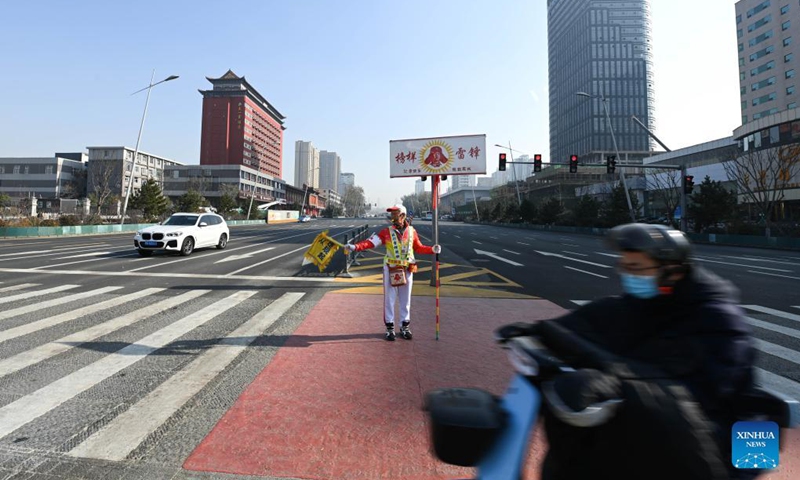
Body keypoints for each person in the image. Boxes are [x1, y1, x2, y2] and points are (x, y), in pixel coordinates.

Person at [496, 223, 757, 480]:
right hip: (651, 440)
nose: (627, 275)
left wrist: (607, 374)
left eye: (636, 268)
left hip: (709, 442)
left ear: (673, 272)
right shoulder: (638, 306)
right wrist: (540, 332)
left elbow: (680, 395)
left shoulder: (717, 321)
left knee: (597, 395)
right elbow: (585, 325)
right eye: (624, 266)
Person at [344, 204, 441, 341]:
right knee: (389, 299)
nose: (393, 217)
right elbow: (370, 243)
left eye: (395, 214)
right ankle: (390, 328)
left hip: (407, 269)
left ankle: (404, 326)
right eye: (392, 214)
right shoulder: (386, 232)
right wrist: (354, 247)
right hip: (391, 269)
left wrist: (432, 249)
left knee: (405, 300)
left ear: (403, 216)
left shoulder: (412, 231)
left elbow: (418, 248)